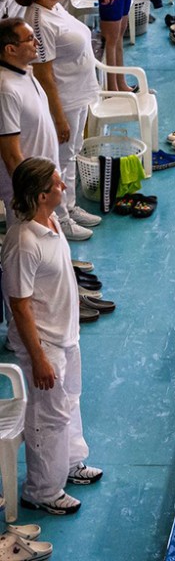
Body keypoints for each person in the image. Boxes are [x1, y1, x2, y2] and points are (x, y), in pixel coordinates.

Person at [3, 158, 103, 516]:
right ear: (42, 194)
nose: (64, 187)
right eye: (58, 184)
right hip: (43, 343)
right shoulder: (24, 242)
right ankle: (42, 489)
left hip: (65, 335)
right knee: (48, 415)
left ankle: (71, 462)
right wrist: (39, 358)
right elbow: (19, 305)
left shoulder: (51, 221)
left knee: (69, 401)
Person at [14, 0, 103, 241]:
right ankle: (61, 218)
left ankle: (71, 206)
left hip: (78, 95)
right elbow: (44, 73)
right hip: (63, 101)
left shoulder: (55, 8)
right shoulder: (38, 21)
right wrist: (59, 115)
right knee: (58, 161)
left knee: (72, 153)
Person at [0, 19, 61, 225]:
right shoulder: (6, 90)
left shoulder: (25, 72)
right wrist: (31, 197)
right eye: (29, 39)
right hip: (31, 192)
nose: (36, 42)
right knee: (27, 249)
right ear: (11, 49)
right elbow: (11, 154)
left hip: (44, 185)